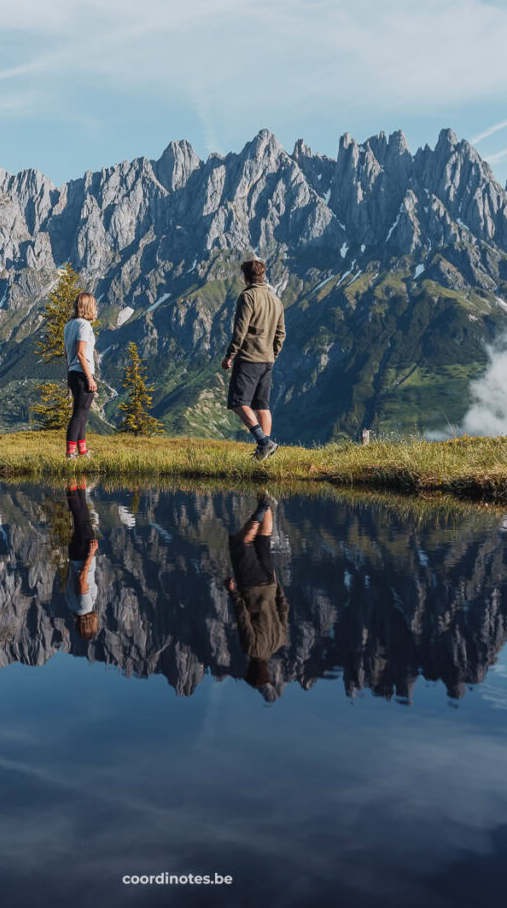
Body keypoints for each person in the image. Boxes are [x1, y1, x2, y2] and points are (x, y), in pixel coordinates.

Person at [225, 494, 289, 700]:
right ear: (251, 669)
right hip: (251, 586)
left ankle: (266, 499)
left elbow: (283, 608)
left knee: (263, 539)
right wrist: (233, 592)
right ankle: (263, 506)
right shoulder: (251, 648)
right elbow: (243, 617)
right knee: (239, 544)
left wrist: (277, 585)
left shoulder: (280, 641)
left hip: (270, 584)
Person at [221, 259, 285, 460]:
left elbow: (240, 331)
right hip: (267, 361)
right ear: (262, 275)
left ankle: (264, 442)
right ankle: (262, 455)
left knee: (238, 402)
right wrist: (273, 354)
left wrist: (230, 355)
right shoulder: (276, 300)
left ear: (246, 277)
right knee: (262, 406)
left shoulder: (247, 297)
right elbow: (281, 334)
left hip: (249, 358)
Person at [63, 292, 98, 459]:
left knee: (81, 413)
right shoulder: (84, 325)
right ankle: (71, 453)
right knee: (79, 415)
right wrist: (89, 377)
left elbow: (66, 353)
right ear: (88, 306)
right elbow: (80, 353)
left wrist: (70, 370)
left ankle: (82, 451)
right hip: (82, 373)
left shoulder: (69, 325)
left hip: (72, 372)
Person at [65, 480, 100, 641]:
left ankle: (72, 483)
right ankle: (79, 482)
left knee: (81, 518)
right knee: (82, 516)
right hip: (75, 556)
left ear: (90, 625)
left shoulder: (84, 607)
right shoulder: (73, 607)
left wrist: (91, 554)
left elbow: (82, 579)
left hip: (82, 555)